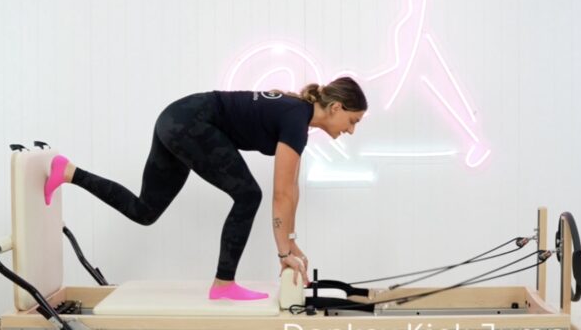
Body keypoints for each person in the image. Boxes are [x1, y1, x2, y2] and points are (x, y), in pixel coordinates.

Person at [43, 77, 368, 301]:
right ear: (336, 107)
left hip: (176, 118)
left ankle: (68, 172)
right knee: (248, 194)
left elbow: (292, 189)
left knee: (145, 211)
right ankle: (224, 284)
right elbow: (281, 193)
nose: (351, 130)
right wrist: (283, 253)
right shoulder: (296, 119)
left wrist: (291, 242)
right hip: (190, 122)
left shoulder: (297, 117)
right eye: (353, 120)